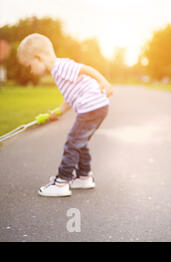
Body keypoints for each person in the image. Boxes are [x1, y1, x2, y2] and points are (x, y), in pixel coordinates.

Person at [17, 33, 113, 197]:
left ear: (38, 57)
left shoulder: (59, 66)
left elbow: (86, 68)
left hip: (91, 107)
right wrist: (58, 112)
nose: (30, 71)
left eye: (29, 66)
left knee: (72, 143)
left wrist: (103, 81)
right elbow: (70, 98)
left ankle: (62, 182)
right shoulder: (57, 72)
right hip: (98, 107)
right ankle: (84, 177)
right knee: (80, 143)